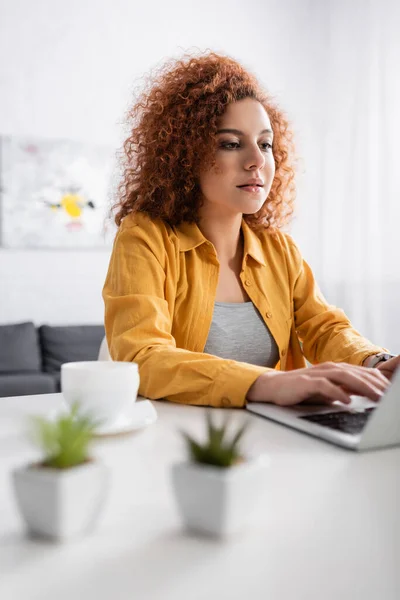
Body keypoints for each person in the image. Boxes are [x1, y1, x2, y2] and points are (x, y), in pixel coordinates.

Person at [102, 51, 399, 409]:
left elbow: (325, 327)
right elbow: (141, 357)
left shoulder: (279, 249)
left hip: (275, 440)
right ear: (185, 154)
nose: (257, 160)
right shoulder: (145, 237)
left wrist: (376, 364)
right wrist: (266, 382)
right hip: (184, 446)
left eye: (265, 144)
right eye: (231, 143)